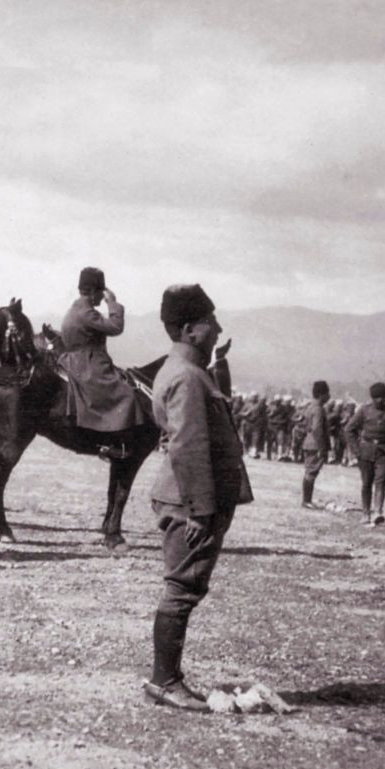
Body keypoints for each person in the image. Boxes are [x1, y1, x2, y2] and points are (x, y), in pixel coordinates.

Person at [143, 283, 251, 711]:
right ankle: (164, 681)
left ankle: (165, 679)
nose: (218, 328)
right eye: (211, 322)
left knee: (184, 588)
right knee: (182, 589)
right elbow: (187, 447)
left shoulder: (185, 370)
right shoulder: (188, 377)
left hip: (186, 497)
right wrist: (200, 511)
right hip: (190, 501)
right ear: (190, 329)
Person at [58, 267, 145, 433]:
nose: (101, 296)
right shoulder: (86, 312)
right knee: (127, 394)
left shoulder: (77, 308)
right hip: (87, 364)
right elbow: (115, 327)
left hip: (78, 361)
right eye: (100, 291)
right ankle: (117, 440)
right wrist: (112, 302)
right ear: (92, 292)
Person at [345, 382, 385, 526]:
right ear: (372, 397)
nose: (380, 400)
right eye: (376, 397)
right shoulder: (364, 411)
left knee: (380, 482)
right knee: (366, 483)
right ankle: (365, 513)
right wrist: (356, 451)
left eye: (383, 397)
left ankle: (378, 512)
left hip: (383, 452)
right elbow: (349, 429)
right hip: (366, 451)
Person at [300, 381, 330, 508]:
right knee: (311, 472)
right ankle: (307, 501)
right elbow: (317, 428)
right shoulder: (318, 409)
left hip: (309, 442)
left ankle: (307, 500)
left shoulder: (310, 407)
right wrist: (322, 447)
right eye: (327, 393)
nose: (329, 396)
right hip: (315, 444)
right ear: (321, 394)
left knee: (309, 471)